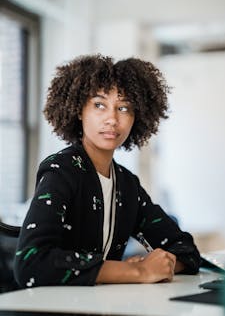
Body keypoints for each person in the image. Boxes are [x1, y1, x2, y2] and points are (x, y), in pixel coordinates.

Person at [14, 54, 201, 288]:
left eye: (123, 108)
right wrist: (136, 270)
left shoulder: (126, 184)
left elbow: (186, 250)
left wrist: (160, 265)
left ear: (137, 117)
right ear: (79, 110)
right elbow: (31, 264)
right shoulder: (61, 170)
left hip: (103, 306)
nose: (112, 119)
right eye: (99, 105)